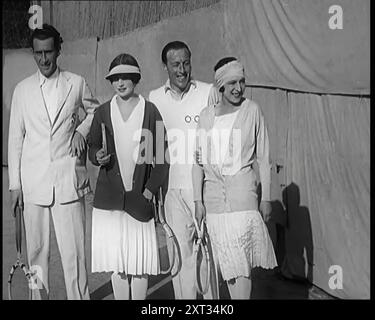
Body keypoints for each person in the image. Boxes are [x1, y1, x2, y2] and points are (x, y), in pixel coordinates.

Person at [8, 24, 99, 300]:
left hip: (67, 181)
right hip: (33, 183)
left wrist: (81, 131)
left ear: (58, 51)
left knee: (74, 254)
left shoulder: (76, 82)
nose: (43, 59)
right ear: (33, 53)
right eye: (38, 53)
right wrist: (15, 185)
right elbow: (15, 138)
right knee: (36, 255)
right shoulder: (22, 90)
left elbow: (96, 112)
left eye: (48, 52)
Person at [192, 57, 278, 299]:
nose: (238, 88)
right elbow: (197, 163)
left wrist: (266, 198)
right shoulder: (206, 116)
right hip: (213, 205)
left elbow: (264, 158)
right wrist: (198, 201)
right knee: (221, 269)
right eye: (232, 83)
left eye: (242, 81)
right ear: (220, 86)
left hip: (243, 202)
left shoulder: (252, 111)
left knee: (241, 273)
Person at [88, 53, 169, 300]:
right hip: (110, 202)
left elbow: (162, 158)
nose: (120, 83)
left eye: (125, 77)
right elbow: (92, 146)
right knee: (119, 265)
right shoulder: (102, 112)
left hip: (139, 201)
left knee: (140, 264)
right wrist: (97, 155)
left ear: (135, 79)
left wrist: (149, 190)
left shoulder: (150, 110)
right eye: (115, 78)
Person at [149, 41, 218, 299]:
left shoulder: (208, 92)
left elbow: (219, 137)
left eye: (186, 63)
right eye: (175, 64)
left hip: (202, 190)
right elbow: (153, 147)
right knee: (180, 257)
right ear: (165, 66)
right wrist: (154, 190)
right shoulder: (154, 98)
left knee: (206, 256)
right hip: (170, 191)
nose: (182, 70)